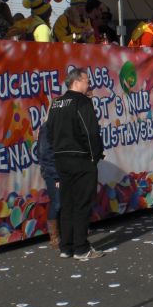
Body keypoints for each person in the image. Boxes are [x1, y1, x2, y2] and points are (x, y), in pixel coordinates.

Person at [44, 68, 104, 260]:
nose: (89, 84)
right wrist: (95, 156)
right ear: (76, 81)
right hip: (81, 159)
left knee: (67, 203)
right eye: (87, 80)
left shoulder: (56, 104)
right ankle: (81, 248)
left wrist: (58, 152)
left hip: (61, 159)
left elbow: (49, 132)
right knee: (82, 203)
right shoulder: (82, 102)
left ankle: (66, 246)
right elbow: (90, 132)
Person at [37, 117, 61, 251]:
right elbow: (45, 155)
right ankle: (54, 237)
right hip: (53, 172)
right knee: (57, 203)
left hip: (62, 171)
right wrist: (57, 176)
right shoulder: (47, 127)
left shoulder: (64, 125)